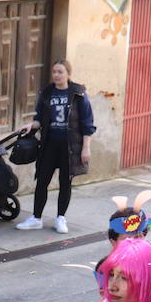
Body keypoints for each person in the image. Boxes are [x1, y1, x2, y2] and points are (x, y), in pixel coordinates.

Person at [16, 60, 96, 232]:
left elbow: (87, 122)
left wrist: (86, 147)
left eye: (60, 72)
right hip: (49, 144)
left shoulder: (78, 94)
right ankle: (36, 218)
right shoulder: (47, 93)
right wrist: (31, 125)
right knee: (42, 181)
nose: (56, 75)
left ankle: (61, 218)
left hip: (70, 146)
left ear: (68, 73)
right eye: (54, 72)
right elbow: (40, 118)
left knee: (65, 182)